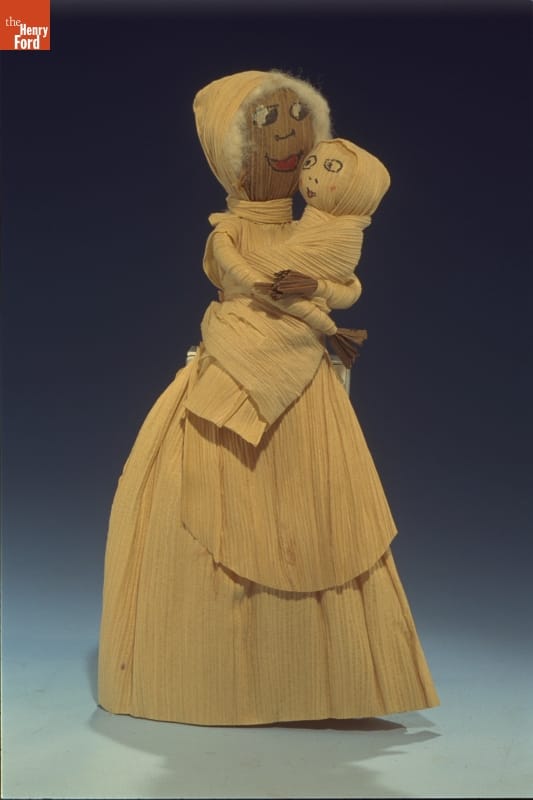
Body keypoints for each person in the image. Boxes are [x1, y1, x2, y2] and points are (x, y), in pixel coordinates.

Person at [98, 70, 439, 725]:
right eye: (265, 122)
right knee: (203, 498)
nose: (288, 137)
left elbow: (346, 289)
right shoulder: (227, 232)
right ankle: (200, 673)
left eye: (299, 118)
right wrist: (293, 299)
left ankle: (323, 676)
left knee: (322, 517)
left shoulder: (321, 229)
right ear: (227, 151)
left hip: (305, 386)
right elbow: (241, 275)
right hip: (237, 368)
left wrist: (318, 291)